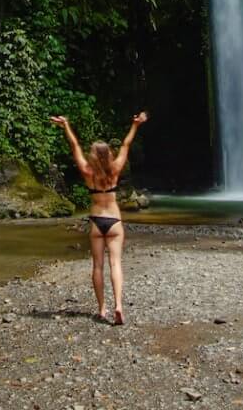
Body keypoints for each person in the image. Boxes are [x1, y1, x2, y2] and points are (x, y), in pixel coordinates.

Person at [49, 111, 149, 325]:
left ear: (94, 156)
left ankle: (102, 309)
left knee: (97, 266)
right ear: (108, 155)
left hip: (96, 222)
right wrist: (135, 125)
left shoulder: (87, 172)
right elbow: (125, 146)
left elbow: (74, 147)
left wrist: (66, 125)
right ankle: (119, 306)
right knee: (115, 264)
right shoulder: (114, 170)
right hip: (114, 221)